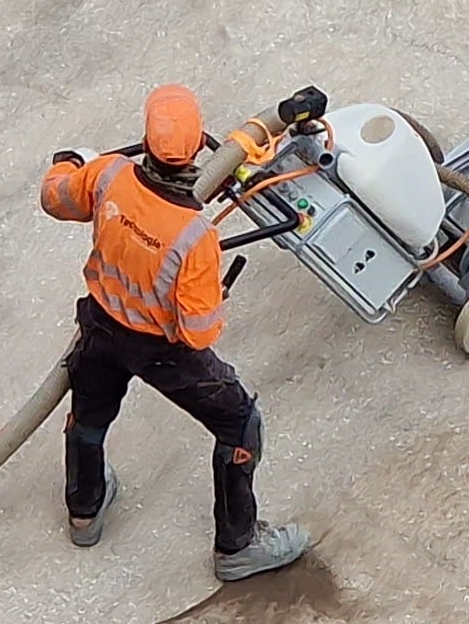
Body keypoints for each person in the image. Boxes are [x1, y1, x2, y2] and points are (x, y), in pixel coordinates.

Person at [40, 84, 311, 581]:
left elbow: (55, 198)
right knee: (239, 424)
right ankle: (238, 547)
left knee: (89, 417)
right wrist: (213, 297)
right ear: (191, 152)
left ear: (145, 140)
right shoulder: (194, 235)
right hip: (161, 352)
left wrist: (67, 163)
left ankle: (85, 512)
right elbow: (199, 331)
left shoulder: (107, 176)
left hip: (101, 327)